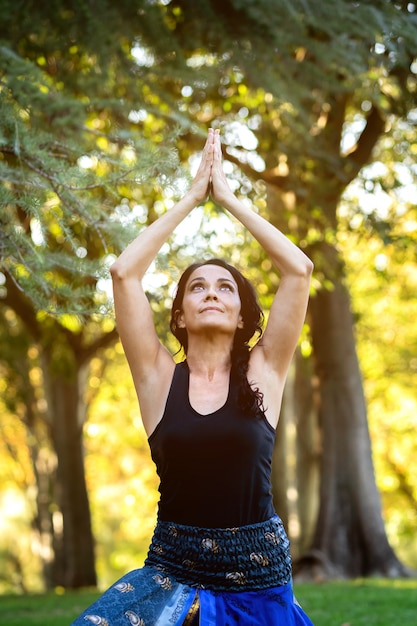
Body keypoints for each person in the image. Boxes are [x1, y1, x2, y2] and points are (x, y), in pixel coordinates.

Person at [71, 128, 315, 625]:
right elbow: (124, 273)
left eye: (226, 288)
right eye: (197, 287)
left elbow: (298, 270)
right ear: (179, 315)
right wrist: (189, 199)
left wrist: (226, 199)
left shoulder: (265, 371)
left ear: (243, 316)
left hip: (258, 580)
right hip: (172, 573)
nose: (211, 292)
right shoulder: (157, 376)